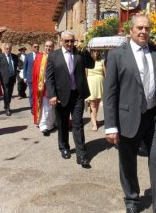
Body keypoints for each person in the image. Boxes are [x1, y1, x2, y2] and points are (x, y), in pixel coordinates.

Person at [103, 14, 156, 213]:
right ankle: (132, 202)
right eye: (140, 28)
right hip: (127, 118)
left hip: (155, 118)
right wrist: (111, 126)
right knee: (127, 164)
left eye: (147, 28)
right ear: (131, 30)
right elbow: (110, 93)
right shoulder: (117, 55)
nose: (144, 31)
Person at [46, 30, 95, 167]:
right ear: (61, 41)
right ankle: (64, 147)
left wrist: (85, 49)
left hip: (77, 95)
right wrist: (52, 94)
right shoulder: (53, 56)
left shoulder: (79, 53)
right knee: (62, 124)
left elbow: (91, 64)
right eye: (66, 41)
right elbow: (49, 78)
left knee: (78, 124)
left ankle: (81, 155)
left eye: (71, 41)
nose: (69, 44)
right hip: (61, 96)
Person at [32, 40, 55, 136]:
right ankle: (43, 125)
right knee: (44, 106)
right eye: (46, 46)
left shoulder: (55, 56)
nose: (48, 48)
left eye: (50, 46)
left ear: (53, 47)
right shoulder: (39, 57)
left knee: (52, 107)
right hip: (43, 86)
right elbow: (36, 72)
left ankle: (51, 124)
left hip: (53, 86)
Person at [0, 43, 18, 116]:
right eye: (7, 49)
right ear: (4, 49)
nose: (8, 50)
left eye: (10, 49)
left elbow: (15, 66)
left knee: (10, 93)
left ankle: (7, 104)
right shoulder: (0, 57)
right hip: (4, 78)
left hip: (12, 77)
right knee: (6, 93)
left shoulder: (14, 56)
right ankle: (7, 108)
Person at [86, 50, 106, 131]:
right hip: (91, 84)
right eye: (94, 52)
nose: (96, 53)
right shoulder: (87, 62)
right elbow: (85, 74)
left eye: (97, 52)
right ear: (91, 52)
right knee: (93, 104)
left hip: (100, 84)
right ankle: (94, 123)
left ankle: (94, 118)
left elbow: (105, 73)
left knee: (97, 104)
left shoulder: (102, 61)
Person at [22, 45, 35, 112]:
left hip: (38, 78)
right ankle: (32, 107)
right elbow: (25, 67)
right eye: (35, 47)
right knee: (31, 92)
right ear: (32, 48)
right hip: (30, 77)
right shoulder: (28, 56)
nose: (36, 48)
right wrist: (25, 77)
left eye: (37, 47)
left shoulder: (40, 55)